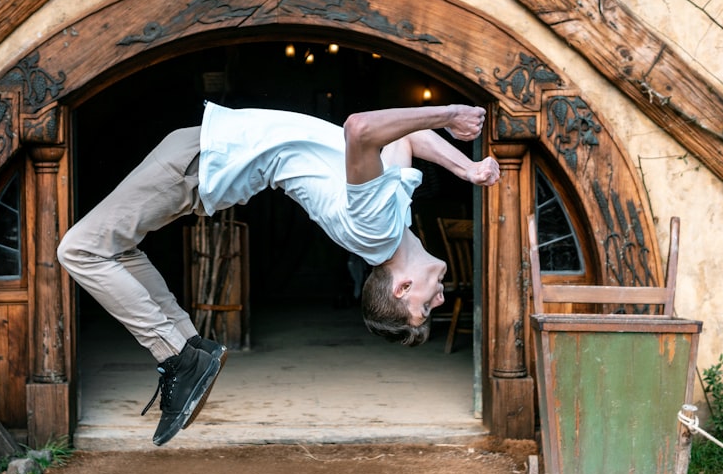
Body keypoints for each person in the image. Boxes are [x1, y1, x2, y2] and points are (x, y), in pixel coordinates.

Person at [57, 101, 500, 446]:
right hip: (200, 160)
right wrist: (469, 168)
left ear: (402, 288)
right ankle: (187, 347)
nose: (439, 300)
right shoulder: (390, 222)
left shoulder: (377, 229)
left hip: (199, 161)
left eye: (426, 308)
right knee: (110, 250)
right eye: (432, 307)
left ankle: (179, 354)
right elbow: (407, 135)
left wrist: (450, 115)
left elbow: (360, 127)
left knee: (79, 250)